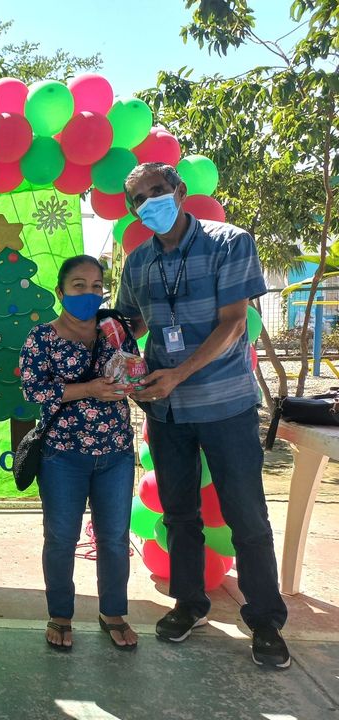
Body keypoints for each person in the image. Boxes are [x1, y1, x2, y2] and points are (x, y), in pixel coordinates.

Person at [117, 161, 290, 668]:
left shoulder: (229, 243)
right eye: (138, 199)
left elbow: (234, 323)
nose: (150, 203)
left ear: (179, 189)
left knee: (246, 515)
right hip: (165, 411)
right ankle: (189, 604)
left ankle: (265, 620)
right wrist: (115, 352)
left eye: (157, 190)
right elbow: (129, 322)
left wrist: (179, 373)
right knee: (179, 514)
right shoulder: (137, 262)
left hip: (225, 407)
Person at [19, 255, 139, 651]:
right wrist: (88, 389)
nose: (89, 293)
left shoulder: (115, 331)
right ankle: (60, 615)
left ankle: (113, 613)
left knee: (115, 538)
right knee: (60, 538)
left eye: (96, 286)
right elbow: (34, 390)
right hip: (63, 455)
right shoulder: (41, 337)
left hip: (116, 452)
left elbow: (134, 371)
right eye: (78, 285)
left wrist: (135, 384)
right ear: (60, 291)